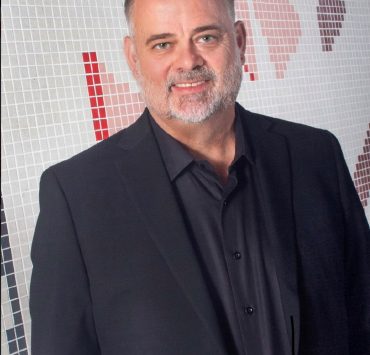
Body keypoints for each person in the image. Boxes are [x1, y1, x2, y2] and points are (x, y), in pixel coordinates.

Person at [29, 0, 370, 354]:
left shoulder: (316, 155)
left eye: (206, 37)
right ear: (133, 57)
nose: (188, 61)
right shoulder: (75, 197)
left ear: (238, 41)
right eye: (162, 44)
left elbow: (362, 314)